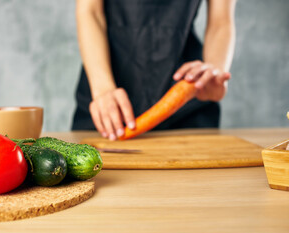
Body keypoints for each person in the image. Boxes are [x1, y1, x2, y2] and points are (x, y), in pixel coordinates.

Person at [72, 0, 236, 140]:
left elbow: (220, 22)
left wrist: (215, 70)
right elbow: (90, 12)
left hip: (188, 105)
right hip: (106, 101)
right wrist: (103, 88)